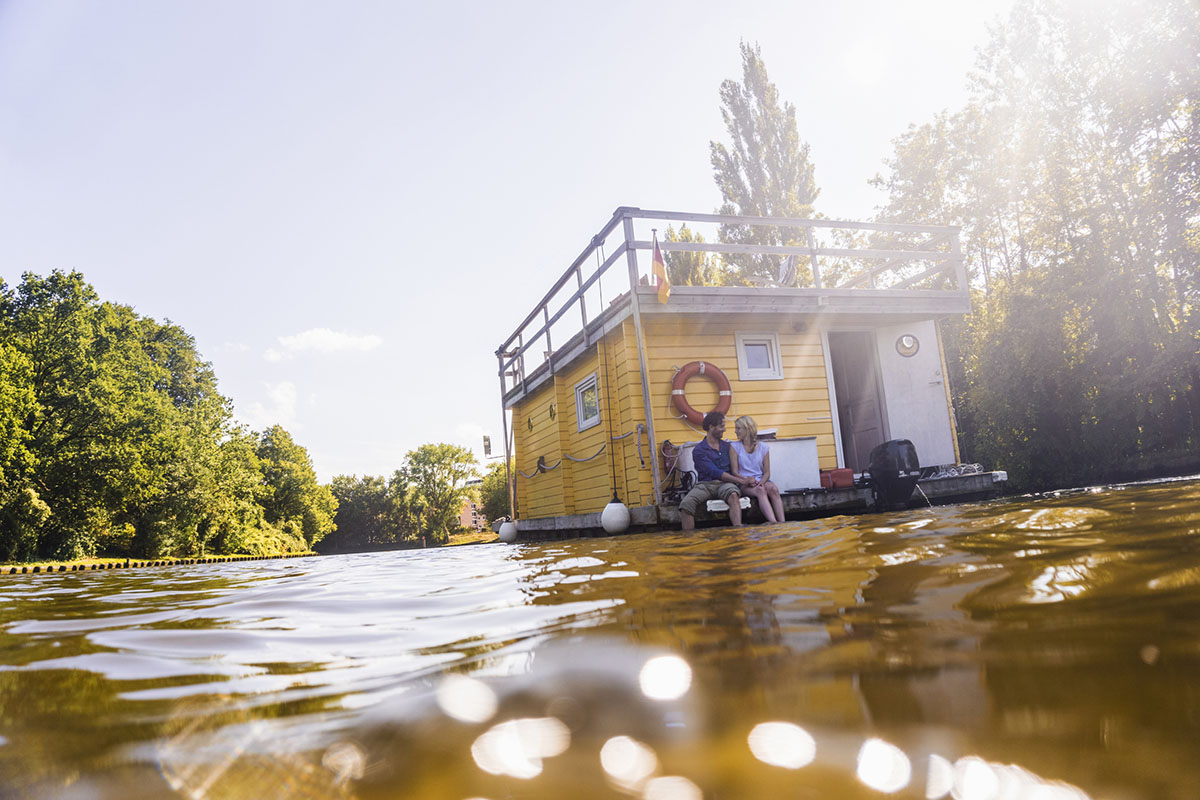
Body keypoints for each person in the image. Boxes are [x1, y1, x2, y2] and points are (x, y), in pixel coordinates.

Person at [678, 411, 753, 530]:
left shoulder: (728, 447)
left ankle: (738, 531)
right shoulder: (699, 450)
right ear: (711, 427)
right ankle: (689, 540)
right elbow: (715, 472)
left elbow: (739, 466)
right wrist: (741, 481)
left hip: (725, 484)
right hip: (705, 485)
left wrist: (748, 479)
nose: (724, 429)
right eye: (721, 426)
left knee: (733, 495)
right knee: (686, 505)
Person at [731, 415, 785, 523]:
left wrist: (761, 482)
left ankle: (783, 523)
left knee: (774, 489)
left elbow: (767, 472)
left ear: (746, 429)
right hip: (744, 482)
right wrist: (748, 480)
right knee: (760, 491)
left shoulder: (763, 447)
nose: (735, 431)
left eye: (738, 428)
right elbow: (734, 472)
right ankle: (774, 523)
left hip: (761, 479)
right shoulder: (734, 447)